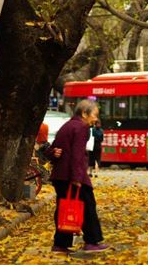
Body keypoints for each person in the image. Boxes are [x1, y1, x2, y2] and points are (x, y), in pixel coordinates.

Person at [46, 100, 109, 254]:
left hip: (61, 176)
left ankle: (60, 244)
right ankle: (92, 241)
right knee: (88, 206)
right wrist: (77, 178)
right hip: (71, 176)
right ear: (84, 113)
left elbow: (53, 148)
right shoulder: (81, 127)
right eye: (94, 115)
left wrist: (53, 154)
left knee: (65, 208)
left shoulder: (68, 125)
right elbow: (77, 155)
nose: (96, 119)